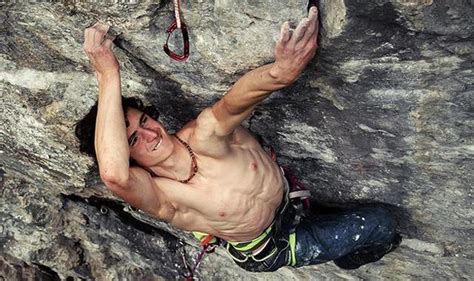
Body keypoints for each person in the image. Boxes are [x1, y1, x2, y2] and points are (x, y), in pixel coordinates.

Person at [76, 6, 400, 272]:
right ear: (128, 155)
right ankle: (349, 258)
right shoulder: (164, 197)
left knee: (364, 225)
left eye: (144, 121)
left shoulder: (203, 135)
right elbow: (114, 175)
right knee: (382, 226)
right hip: (271, 247)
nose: (149, 134)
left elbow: (233, 103)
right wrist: (108, 74)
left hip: (291, 201)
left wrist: (280, 73)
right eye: (133, 140)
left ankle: (330, 232)